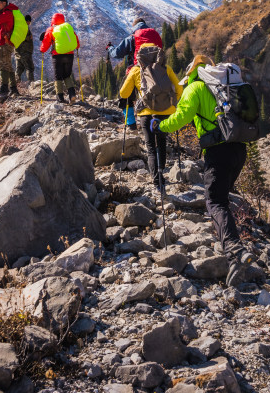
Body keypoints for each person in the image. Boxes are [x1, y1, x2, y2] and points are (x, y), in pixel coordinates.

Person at [155, 54, 254, 286]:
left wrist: (160, 126)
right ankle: (236, 243)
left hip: (218, 151)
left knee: (215, 202)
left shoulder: (196, 87)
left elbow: (181, 117)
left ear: (190, 73)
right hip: (239, 148)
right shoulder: (225, 85)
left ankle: (235, 252)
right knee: (223, 199)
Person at [119, 43, 183, 191]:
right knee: (161, 143)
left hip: (145, 113)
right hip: (165, 111)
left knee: (150, 148)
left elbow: (123, 93)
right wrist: (172, 102)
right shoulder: (165, 68)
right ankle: (162, 175)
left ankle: (157, 182)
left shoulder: (136, 70)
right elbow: (179, 88)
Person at [107, 16, 163, 132]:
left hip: (136, 70)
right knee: (151, 97)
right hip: (155, 72)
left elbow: (117, 53)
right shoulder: (155, 35)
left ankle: (131, 125)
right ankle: (155, 126)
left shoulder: (132, 37)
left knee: (125, 97)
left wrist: (110, 48)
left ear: (135, 26)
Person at [40, 13, 80, 104]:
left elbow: (46, 42)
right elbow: (76, 41)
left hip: (58, 56)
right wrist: (77, 47)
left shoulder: (51, 29)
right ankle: (72, 95)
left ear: (53, 20)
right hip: (70, 55)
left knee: (58, 76)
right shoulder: (68, 28)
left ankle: (60, 98)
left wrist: (42, 50)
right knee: (67, 75)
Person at [15, 14, 34, 83]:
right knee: (29, 68)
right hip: (25, 52)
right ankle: (31, 85)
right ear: (28, 21)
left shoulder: (17, 26)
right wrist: (29, 37)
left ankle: (15, 86)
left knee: (19, 69)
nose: (29, 24)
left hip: (17, 52)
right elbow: (22, 37)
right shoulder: (24, 27)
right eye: (29, 22)